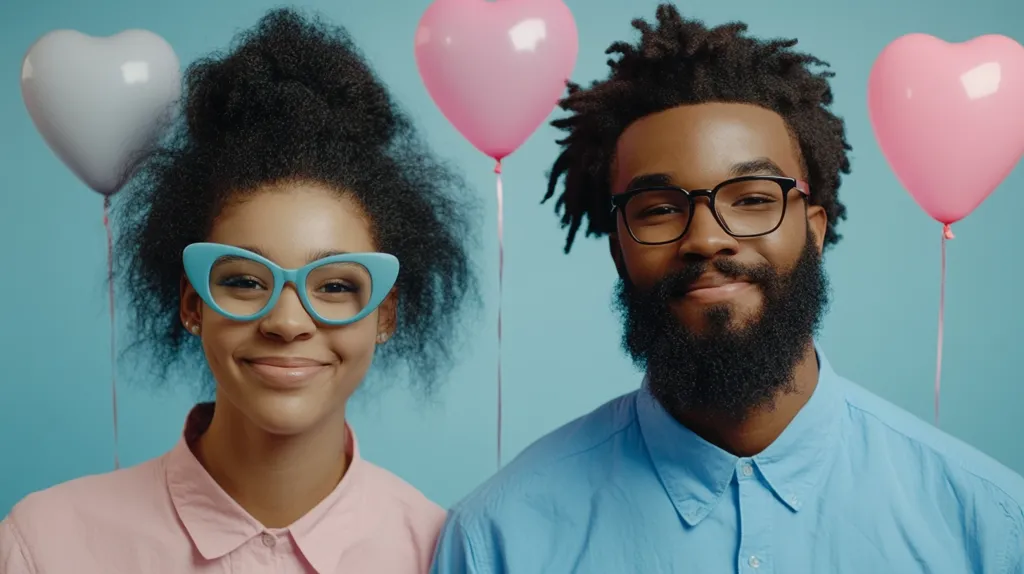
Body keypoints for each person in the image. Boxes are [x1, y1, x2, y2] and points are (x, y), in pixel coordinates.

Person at [430, 5, 1024, 573]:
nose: (708, 240)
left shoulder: (992, 525)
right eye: (660, 208)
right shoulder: (495, 539)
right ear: (618, 248)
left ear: (814, 231)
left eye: (754, 200)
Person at [1, 8, 476, 574]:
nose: (288, 321)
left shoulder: (444, 554)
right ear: (192, 302)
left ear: (385, 314)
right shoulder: (43, 545)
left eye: (335, 285)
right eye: (246, 280)